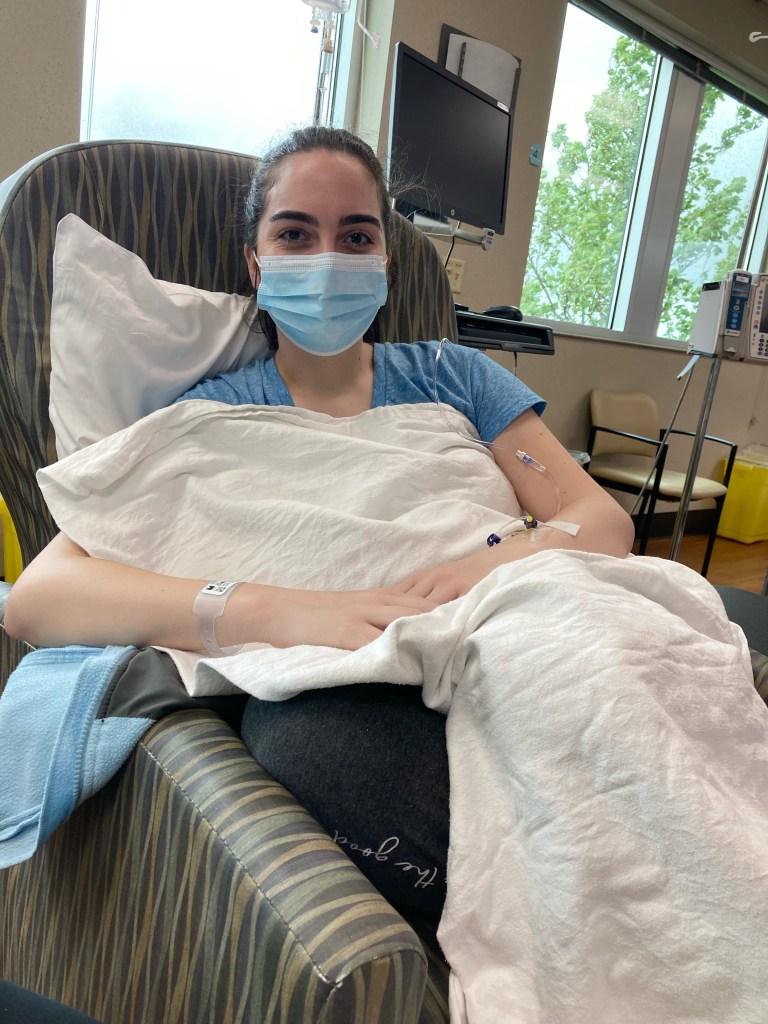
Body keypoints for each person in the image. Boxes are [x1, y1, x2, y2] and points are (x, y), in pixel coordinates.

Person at [4, 127, 634, 970]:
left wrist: (482, 569)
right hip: (354, 688)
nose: (328, 259)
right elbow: (39, 599)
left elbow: (598, 522)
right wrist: (280, 611)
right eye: (296, 234)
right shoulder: (208, 416)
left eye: (357, 236)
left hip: (517, 629)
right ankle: (580, 921)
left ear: (386, 263)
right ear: (255, 263)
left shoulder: (457, 378)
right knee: (308, 746)